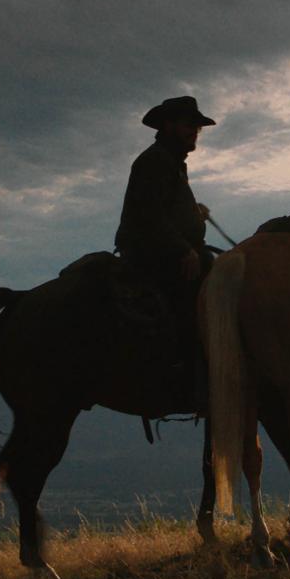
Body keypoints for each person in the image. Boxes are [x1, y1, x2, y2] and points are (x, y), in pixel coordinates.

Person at [114, 95, 216, 413]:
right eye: (189, 124)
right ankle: (185, 374)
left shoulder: (167, 162)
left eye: (197, 126)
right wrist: (183, 249)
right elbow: (149, 217)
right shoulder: (156, 161)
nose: (194, 131)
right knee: (192, 301)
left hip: (165, 251)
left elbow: (162, 210)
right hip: (155, 257)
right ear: (168, 125)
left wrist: (192, 214)